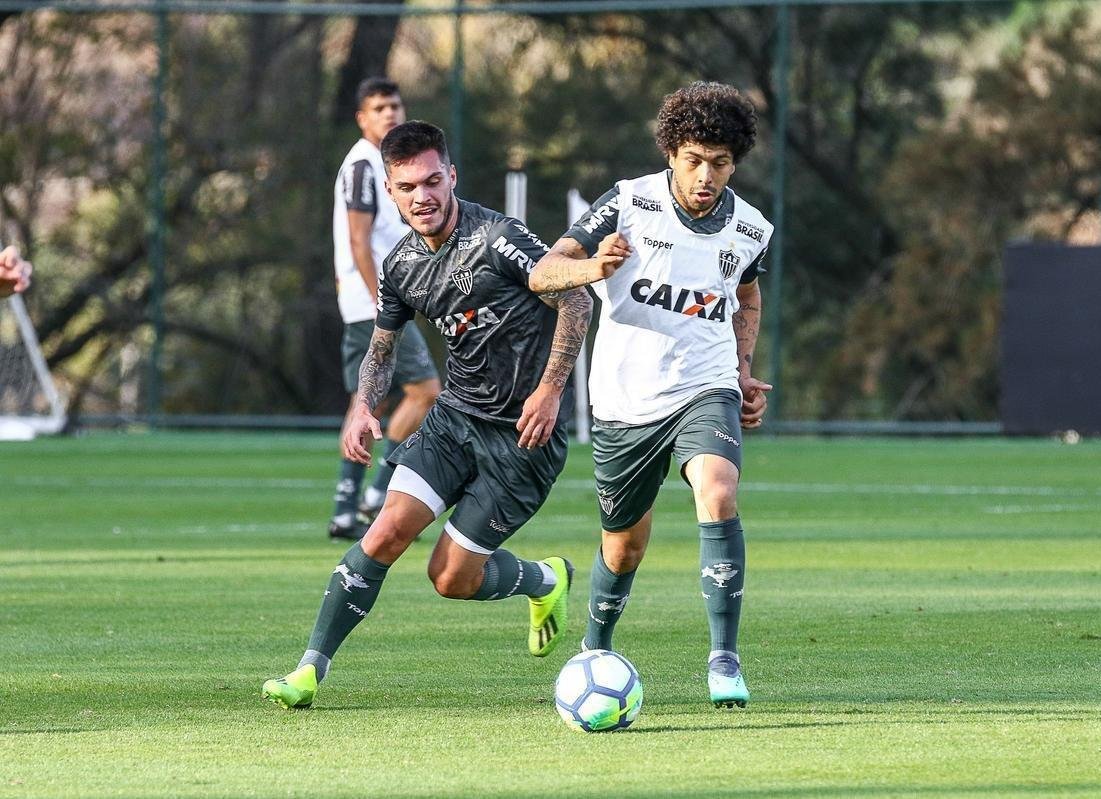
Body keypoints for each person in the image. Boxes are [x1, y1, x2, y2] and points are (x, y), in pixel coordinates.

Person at [263, 121, 594, 709]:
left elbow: (573, 296)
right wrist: (364, 406)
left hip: (522, 440)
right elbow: (382, 348)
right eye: (408, 186)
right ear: (390, 192)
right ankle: (308, 671)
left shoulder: (498, 238)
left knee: (450, 579)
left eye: (433, 181)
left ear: (452, 177)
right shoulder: (398, 266)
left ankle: (546, 579)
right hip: (452, 423)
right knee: (384, 532)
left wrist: (550, 390)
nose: (424, 196)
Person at [528, 82, 772, 709]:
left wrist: (742, 372)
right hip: (624, 402)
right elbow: (543, 271)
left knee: (718, 491)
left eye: (719, 162)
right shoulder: (627, 204)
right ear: (670, 153)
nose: (705, 175)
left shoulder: (750, 229)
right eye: (693, 159)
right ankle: (595, 644)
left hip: (705, 386)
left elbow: (745, 295)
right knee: (624, 547)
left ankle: (724, 659)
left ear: (735, 162)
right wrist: (591, 268)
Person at [329, 77, 442, 540]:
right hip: (370, 302)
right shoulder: (361, 165)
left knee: (367, 399)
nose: (390, 114)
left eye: (395, 105)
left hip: (369, 300)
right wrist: (384, 302)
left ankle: (344, 507)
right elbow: (358, 239)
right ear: (362, 117)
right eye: (379, 108)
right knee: (425, 391)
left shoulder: (384, 163)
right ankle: (379, 491)